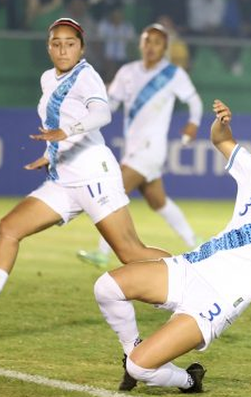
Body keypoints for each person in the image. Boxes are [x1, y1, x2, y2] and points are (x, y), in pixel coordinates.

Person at [94, 99, 251, 392]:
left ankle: (189, 379)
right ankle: (131, 348)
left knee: (140, 367)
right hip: (189, 268)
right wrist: (222, 123)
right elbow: (221, 139)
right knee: (107, 288)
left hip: (217, 301)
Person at [0, 18, 168, 328]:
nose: (63, 49)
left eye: (70, 43)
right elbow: (56, 124)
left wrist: (66, 131)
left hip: (94, 175)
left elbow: (102, 113)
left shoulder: (86, 76)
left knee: (130, 252)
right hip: (63, 179)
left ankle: (193, 283)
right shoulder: (48, 78)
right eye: (56, 43)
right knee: (9, 228)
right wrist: (49, 154)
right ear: (48, 47)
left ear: (81, 48)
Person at [77, 23, 203, 269]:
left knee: (112, 192)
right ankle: (195, 241)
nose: (151, 46)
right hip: (133, 147)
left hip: (151, 149)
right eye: (147, 41)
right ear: (140, 44)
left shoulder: (173, 74)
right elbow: (110, 104)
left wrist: (193, 124)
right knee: (159, 201)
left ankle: (103, 252)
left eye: (157, 42)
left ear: (165, 47)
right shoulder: (127, 72)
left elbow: (195, 101)